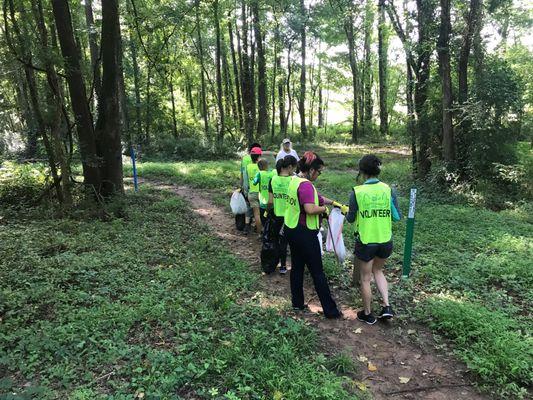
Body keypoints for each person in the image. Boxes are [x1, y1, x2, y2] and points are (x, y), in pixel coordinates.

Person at [283, 151, 342, 319]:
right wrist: (325, 209)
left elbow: (316, 197)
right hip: (305, 234)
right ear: (311, 170)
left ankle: (297, 303)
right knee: (317, 272)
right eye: (319, 171)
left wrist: (333, 202)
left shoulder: (294, 180)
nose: (319, 174)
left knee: (297, 267)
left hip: (292, 230)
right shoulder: (306, 185)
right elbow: (310, 208)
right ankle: (331, 311)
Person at [345, 154, 401, 325]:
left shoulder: (358, 192)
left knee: (365, 278)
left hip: (367, 241)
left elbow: (350, 218)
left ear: (362, 172)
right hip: (385, 240)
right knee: (378, 271)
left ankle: (368, 314)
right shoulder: (388, 189)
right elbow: (397, 217)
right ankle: (386, 307)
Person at [268, 155, 298, 274]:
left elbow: (270, 201)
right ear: (289, 167)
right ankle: (287, 266)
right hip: (290, 216)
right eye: (294, 168)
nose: (294, 171)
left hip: (276, 215)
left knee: (276, 240)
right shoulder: (293, 181)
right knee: (287, 242)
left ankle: (278, 264)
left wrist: (267, 212)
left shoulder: (273, 179)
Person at [252, 158, 275, 227]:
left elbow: (254, 183)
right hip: (273, 203)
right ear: (267, 165)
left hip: (263, 203)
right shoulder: (273, 173)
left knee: (264, 218)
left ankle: (265, 231)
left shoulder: (259, 174)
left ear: (259, 167)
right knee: (272, 219)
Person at [246, 147, 263, 234]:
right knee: (263, 214)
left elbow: (246, 181)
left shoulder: (248, 166)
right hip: (262, 193)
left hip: (252, 193)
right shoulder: (261, 166)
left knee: (256, 214)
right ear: (259, 156)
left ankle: (259, 233)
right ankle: (263, 231)